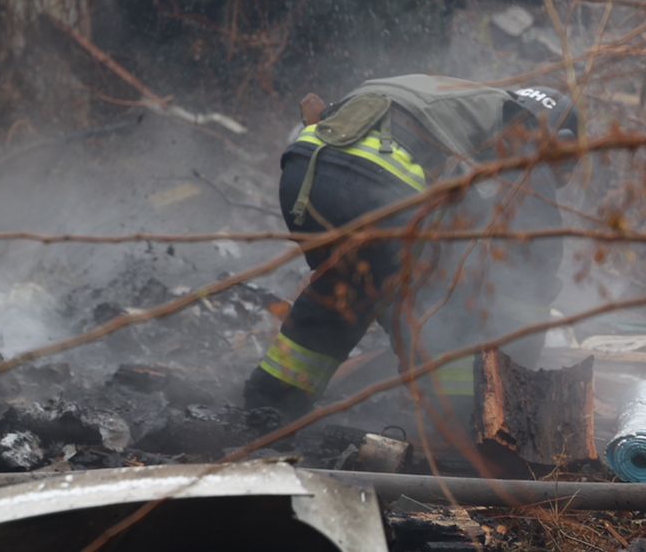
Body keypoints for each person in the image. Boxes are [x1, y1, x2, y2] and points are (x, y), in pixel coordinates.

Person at [242, 74, 579, 426]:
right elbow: (536, 252)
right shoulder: (527, 130)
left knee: (346, 294)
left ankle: (269, 406)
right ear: (563, 141)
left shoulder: (466, 103)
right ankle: (459, 424)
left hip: (303, 173)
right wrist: (520, 358)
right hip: (376, 182)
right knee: (441, 304)